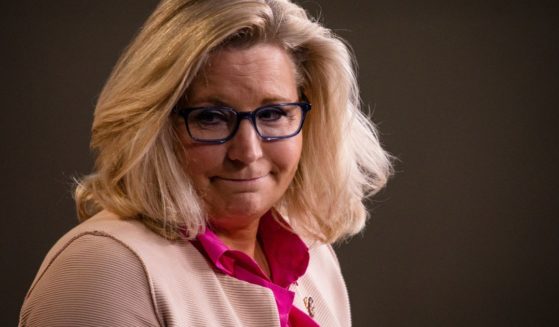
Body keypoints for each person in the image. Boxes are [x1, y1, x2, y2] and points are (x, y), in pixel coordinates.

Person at [19, 0, 392, 326]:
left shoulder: (312, 253)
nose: (247, 152)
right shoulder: (101, 271)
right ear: (155, 126)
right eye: (211, 117)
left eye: (274, 113)